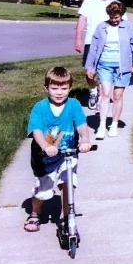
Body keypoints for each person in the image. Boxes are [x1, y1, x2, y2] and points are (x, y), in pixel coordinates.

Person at [24, 66, 92, 232]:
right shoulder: (40, 108)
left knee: (69, 182)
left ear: (70, 88)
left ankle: (66, 215)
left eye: (64, 88)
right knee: (44, 191)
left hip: (68, 154)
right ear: (46, 88)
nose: (59, 92)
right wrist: (46, 146)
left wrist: (84, 139)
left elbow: (82, 124)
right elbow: (37, 131)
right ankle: (35, 212)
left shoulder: (74, 105)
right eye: (55, 88)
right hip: (44, 157)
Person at [84, 1, 133, 140]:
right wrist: (90, 66)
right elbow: (93, 48)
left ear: (121, 15)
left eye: (117, 17)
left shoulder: (128, 27)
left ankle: (114, 124)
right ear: (109, 15)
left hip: (123, 67)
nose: (114, 20)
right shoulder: (101, 27)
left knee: (117, 96)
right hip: (104, 65)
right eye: (112, 17)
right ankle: (102, 125)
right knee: (104, 94)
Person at [74, 0, 118, 110]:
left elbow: (122, 24)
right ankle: (93, 92)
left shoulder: (116, 4)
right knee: (89, 71)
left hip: (109, 43)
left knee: (105, 71)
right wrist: (78, 39)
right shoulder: (89, 1)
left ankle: (102, 98)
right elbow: (82, 20)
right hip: (91, 41)